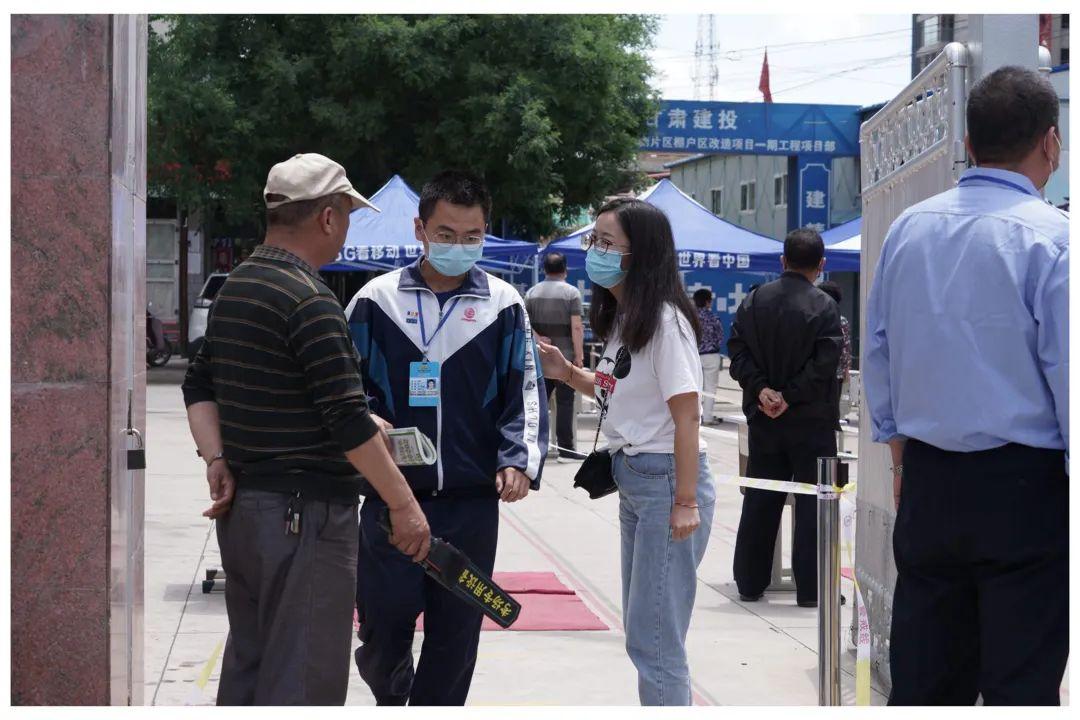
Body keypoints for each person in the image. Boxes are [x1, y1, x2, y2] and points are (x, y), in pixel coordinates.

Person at [181, 153, 430, 705]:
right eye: (346, 214)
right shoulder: (311, 300)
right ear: (327, 217)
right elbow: (344, 420)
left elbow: (199, 386)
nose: (345, 228)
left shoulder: (238, 287)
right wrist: (403, 502)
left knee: (252, 664)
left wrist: (217, 460)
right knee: (304, 681)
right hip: (305, 516)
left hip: (246, 510)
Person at [865, 66, 1068, 706]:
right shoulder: (1056, 240)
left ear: (969, 144)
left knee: (926, 680)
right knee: (1020, 683)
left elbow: (879, 349)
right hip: (1025, 488)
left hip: (929, 480)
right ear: (1051, 144)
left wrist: (899, 453)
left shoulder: (908, 229)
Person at [344, 170, 547, 706]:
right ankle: (393, 695)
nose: (460, 246)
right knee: (382, 625)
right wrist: (369, 418)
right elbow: (342, 389)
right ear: (420, 228)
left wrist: (517, 459)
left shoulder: (504, 305)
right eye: (447, 233)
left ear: (486, 232)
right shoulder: (374, 301)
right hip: (392, 501)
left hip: (471, 505)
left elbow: (523, 387)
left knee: (456, 638)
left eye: (472, 235)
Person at [536, 198, 714, 706]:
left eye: (607, 244)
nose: (595, 251)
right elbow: (620, 390)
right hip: (636, 480)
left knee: (655, 640)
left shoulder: (664, 322)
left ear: (642, 256)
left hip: (665, 484)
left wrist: (685, 500)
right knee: (644, 632)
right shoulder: (625, 319)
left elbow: (687, 415)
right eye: (595, 241)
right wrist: (569, 373)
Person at [727, 228, 841, 607]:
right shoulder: (825, 307)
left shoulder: (755, 300)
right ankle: (812, 588)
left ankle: (749, 581)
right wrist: (789, 396)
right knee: (814, 504)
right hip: (811, 422)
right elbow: (825, 366)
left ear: (783, 261)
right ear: (821, 265)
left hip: (765, 418)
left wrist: (763, 391)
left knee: (760, 499)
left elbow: (738, 351)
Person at [525, 251, 586, 459]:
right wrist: (579, 356)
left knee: (539, 403)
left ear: (544, 270)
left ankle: (536, 448)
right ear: (565, 270)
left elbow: (524, 324)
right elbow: (576, 327)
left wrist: (539, 338)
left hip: (540, 358)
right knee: (565, 403)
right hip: (566, 358)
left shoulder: (532, 293)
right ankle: (565, 449)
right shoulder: (572, 293)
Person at [817, 280, 851, 426]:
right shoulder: (841, 320)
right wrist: (845, 370)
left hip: (815, 372)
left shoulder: (813, 317)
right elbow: (845, 349)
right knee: (831, 412)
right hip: (835, 374)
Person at [692, 288, 724, 425]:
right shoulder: (713, 318)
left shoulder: (689, 318)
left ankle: (695, 417)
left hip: (694, 356)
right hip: (711, 356)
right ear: (707, 302)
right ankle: (708, 417)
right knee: (710, 388)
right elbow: (720, 337)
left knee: (695, 387)